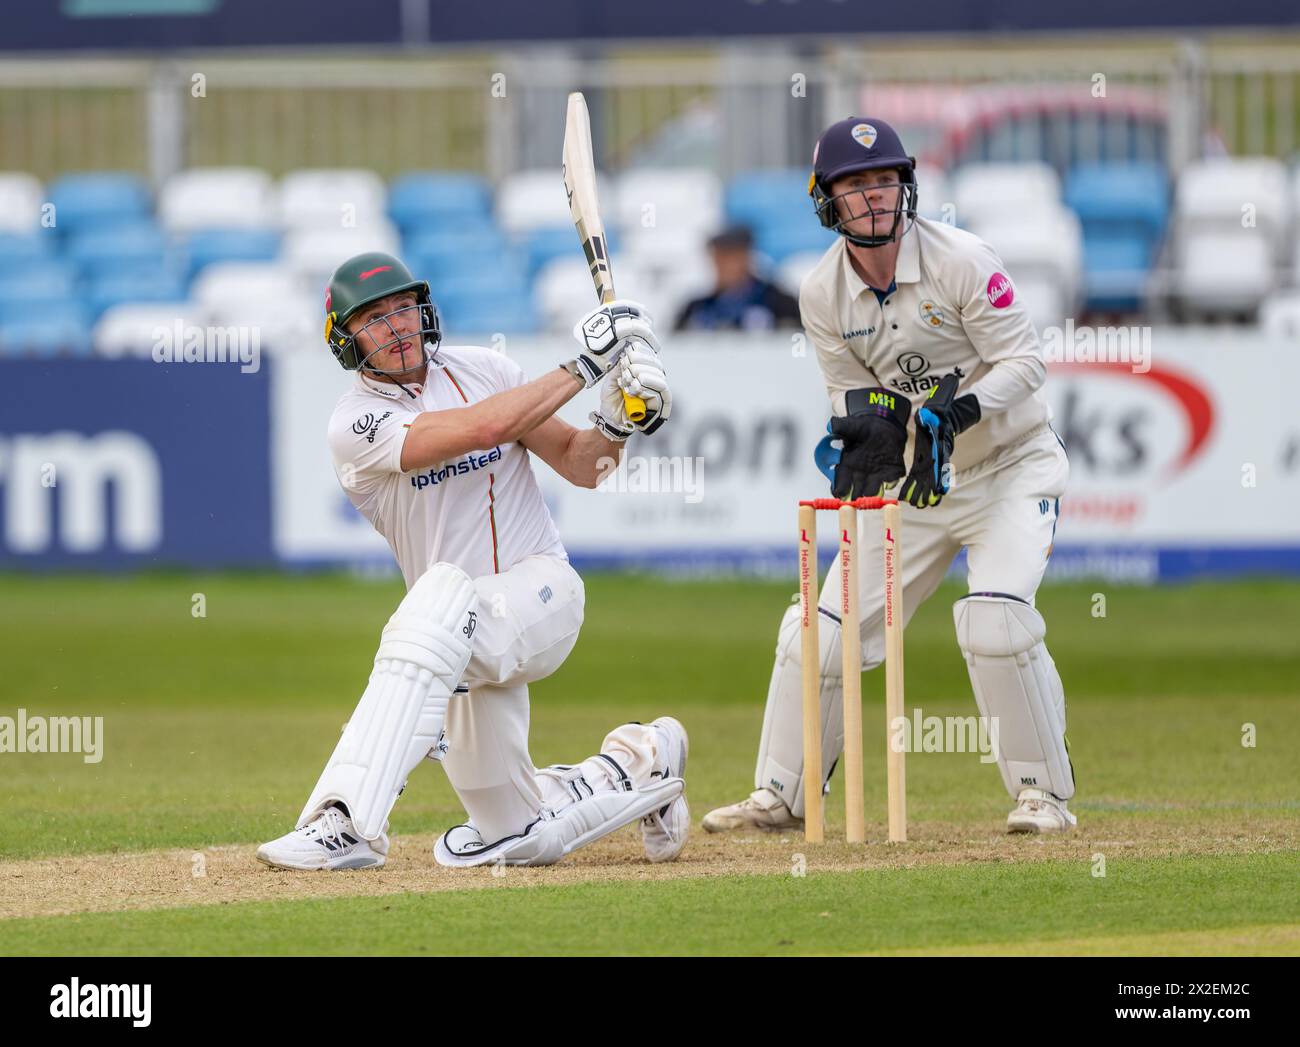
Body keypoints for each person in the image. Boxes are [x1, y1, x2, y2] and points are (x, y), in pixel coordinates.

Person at [256, 251, 690, 870]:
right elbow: (484, 430)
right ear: (345, 341)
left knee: (435, 602)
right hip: (451, 650)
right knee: (515, 837)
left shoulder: (487, 369)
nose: (397, 325)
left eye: (403, 307)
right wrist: (587, 364)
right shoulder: (354, 424)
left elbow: (580, 464)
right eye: (374, 318)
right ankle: (642, 761)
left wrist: (618, 423)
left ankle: (345, 823)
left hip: (540, 594)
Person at [702, 118, 1076, 836]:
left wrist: (958, 411)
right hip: (919, 481)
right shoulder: (820, 294)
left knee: (995, 620)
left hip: (1010, 466)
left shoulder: (962, 259)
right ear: (827, 202)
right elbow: (850, 392)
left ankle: (1042, 795)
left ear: (904, 187)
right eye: (856, 185)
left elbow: (1026, 363)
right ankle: (783, 795)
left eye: (884, 181)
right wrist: (871, 433)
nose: (874, 197)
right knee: (817, 625)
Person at [673, 225, 802, 332]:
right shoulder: (696, 308)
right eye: (717, 257)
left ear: (746, 257)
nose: (721, 265)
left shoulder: (780, 303)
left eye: (729, 256)